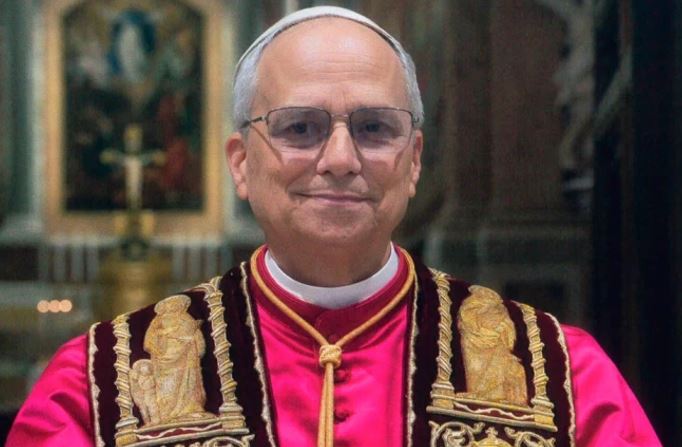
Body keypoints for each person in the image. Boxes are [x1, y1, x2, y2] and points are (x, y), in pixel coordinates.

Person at [7, 6, 660, 447]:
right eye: (300, 128)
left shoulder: (561, 376)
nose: (341, 159)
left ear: (414, 160)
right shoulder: (98, 389)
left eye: (375, 127)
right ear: (241, 163)